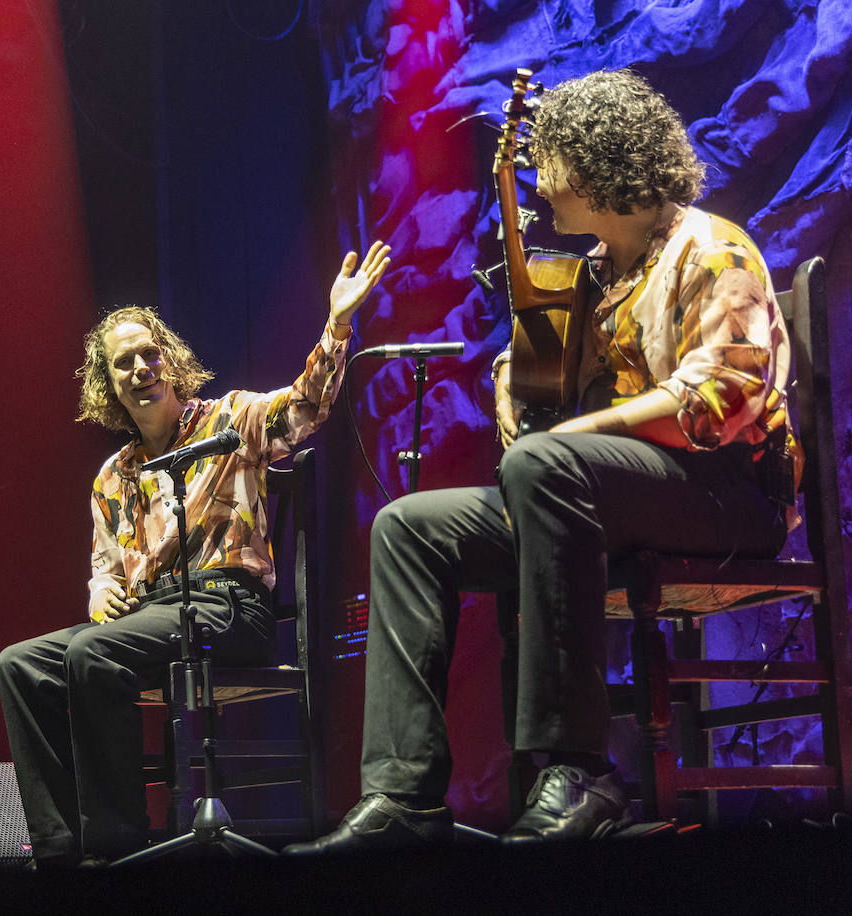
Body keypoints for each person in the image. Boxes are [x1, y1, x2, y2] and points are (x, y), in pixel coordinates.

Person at [286, 69, 797, 853]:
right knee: (408, 528)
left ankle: (581, 766)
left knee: (542, 466)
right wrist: (512, 384)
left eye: (550, 168)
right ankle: (403, 794)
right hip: (618, 494)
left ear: (592, 169)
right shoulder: (599, 273)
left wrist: (576, 433)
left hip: (727, 497)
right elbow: (548, 371)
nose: (538, 189)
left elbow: (719, 403)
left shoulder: (713, 251)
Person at [0, 242, 391, 866]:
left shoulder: (229, 421)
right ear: (109, 385)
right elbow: (104, 567)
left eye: (151, 354)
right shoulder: (112, 476)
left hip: (228, 608)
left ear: (171, 362)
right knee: (18, 665)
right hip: (151, 620)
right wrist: (99, 590)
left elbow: (304, 409)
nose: (142, 368)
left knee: (92, 654)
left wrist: (337, 322)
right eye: (125, 363)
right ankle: (59, 848)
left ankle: (115, 850)